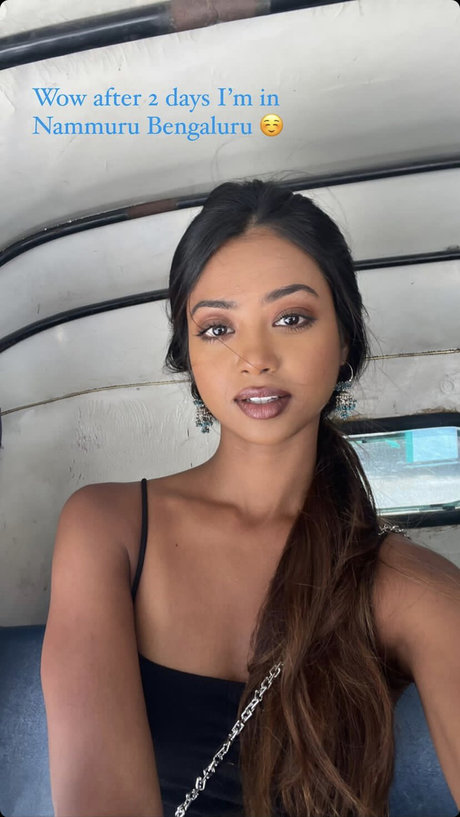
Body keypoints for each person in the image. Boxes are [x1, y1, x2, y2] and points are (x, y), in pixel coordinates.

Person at [41, 180, 460, 817]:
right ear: (188, 356)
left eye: (291, 318)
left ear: (344, 340)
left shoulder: (407, 584)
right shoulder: (107, 528)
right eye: (217, 328)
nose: (255, 358)